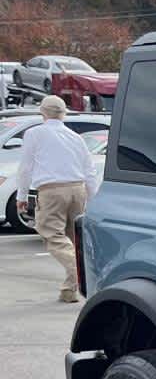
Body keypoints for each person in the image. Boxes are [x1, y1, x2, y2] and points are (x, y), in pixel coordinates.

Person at [16, 94, 97, 303]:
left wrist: (22, 195)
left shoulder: (35, 134)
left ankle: (80, 270)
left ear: (42, 112)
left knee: (52, 235)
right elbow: (89, 171)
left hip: (51, 191)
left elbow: (25, 168)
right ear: (63, 113)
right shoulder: (75, 137)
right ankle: (69, 291)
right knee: (72, 240)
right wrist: (93, 198)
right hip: (77, 190)